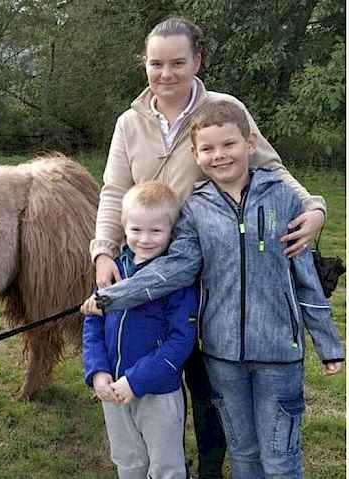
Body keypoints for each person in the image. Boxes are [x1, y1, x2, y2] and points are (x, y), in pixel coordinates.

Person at [90, 16, 327, 479]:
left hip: (211, 270)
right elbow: (114, 191)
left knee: (208, 385)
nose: (166, 73)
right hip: (145, 266)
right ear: (145, 64)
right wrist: (103, 251)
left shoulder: (223, 109)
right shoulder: (129, 122)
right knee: (149, 373)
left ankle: (211, 467)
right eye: (156, 63)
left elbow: (270, 167)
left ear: (197, 60)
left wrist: (313, 207)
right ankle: (158, 460)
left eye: (178, 62)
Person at [82, 181, 197, 479]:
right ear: (123, 226)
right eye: (136, 229)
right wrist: (98, 371)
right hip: (112, 389)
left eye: (156, 230)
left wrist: (135, 381)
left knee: (166, 466)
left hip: (158, 392)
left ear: (172, 230)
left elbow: (181, 341)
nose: (144, 239)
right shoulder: (113, 272)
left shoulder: (176, 280)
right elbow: (93, 325)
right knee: (128, 460)